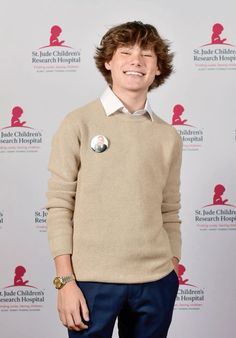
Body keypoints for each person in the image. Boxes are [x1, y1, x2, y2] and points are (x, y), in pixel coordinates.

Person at [47, 21, 183, 338]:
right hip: (91, 281)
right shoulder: (78, 123)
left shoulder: (168, 136)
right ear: (108, 61)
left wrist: (172, 263)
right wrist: (65, 281)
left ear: (158, 67)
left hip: (156, 281)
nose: (136, 61)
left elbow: (170, 208)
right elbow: (59, 205)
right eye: (125, 52)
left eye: (147, 54)